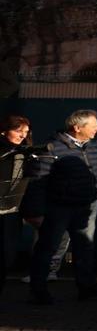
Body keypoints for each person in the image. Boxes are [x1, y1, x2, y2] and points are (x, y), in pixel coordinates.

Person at [23, 110, 97, 305]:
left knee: (85, 248)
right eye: (94, 125)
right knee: (48, 248)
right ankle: (38, 291)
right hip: (59, 208)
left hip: (86, 207)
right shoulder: (52, 148)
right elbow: (38, 181)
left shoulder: (93, 147)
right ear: (77, 128)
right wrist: (35, 212)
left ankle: (86, 287)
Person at [0, 114, 32, 294]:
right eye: (18, 131)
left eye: (26, 132)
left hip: (11, 212)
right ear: (4, 131)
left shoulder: (24, 153)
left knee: (7, 257)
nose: (22, 135)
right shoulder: (6, 153)